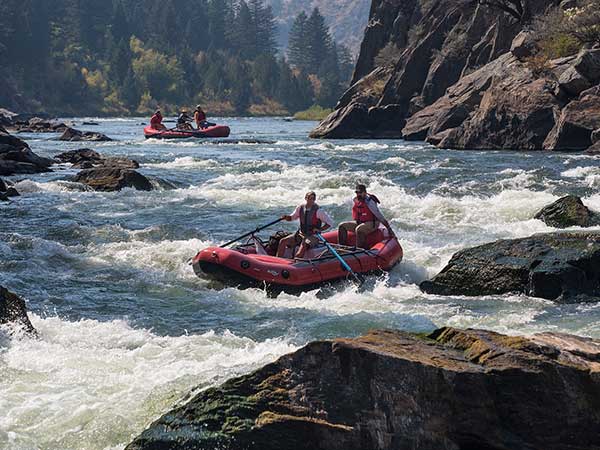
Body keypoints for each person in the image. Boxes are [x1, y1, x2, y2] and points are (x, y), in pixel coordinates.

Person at [276, 191, 334, 259]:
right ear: (306, 198)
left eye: (313, 199)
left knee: (303, 245)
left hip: (312, 237)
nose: (311, 200)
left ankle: (295, 264)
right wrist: (286, 217)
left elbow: (330, 223)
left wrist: (320, 229)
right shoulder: (300, 208)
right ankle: (278, 260)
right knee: (283, 241)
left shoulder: (319, 211)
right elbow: (292, 217)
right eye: (310, 198)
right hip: (300, 235)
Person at [338, 184, 395, 249]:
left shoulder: (369, 202)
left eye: (360, 192)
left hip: (372, 223)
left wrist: (389, 228)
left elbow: (379, 216)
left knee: (359, 229)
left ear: (365, 192)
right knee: (342, 226)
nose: (358, 194)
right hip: (361, 222)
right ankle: (342, 247)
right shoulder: (356, 200)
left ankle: (359, 250)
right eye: (357, 192)